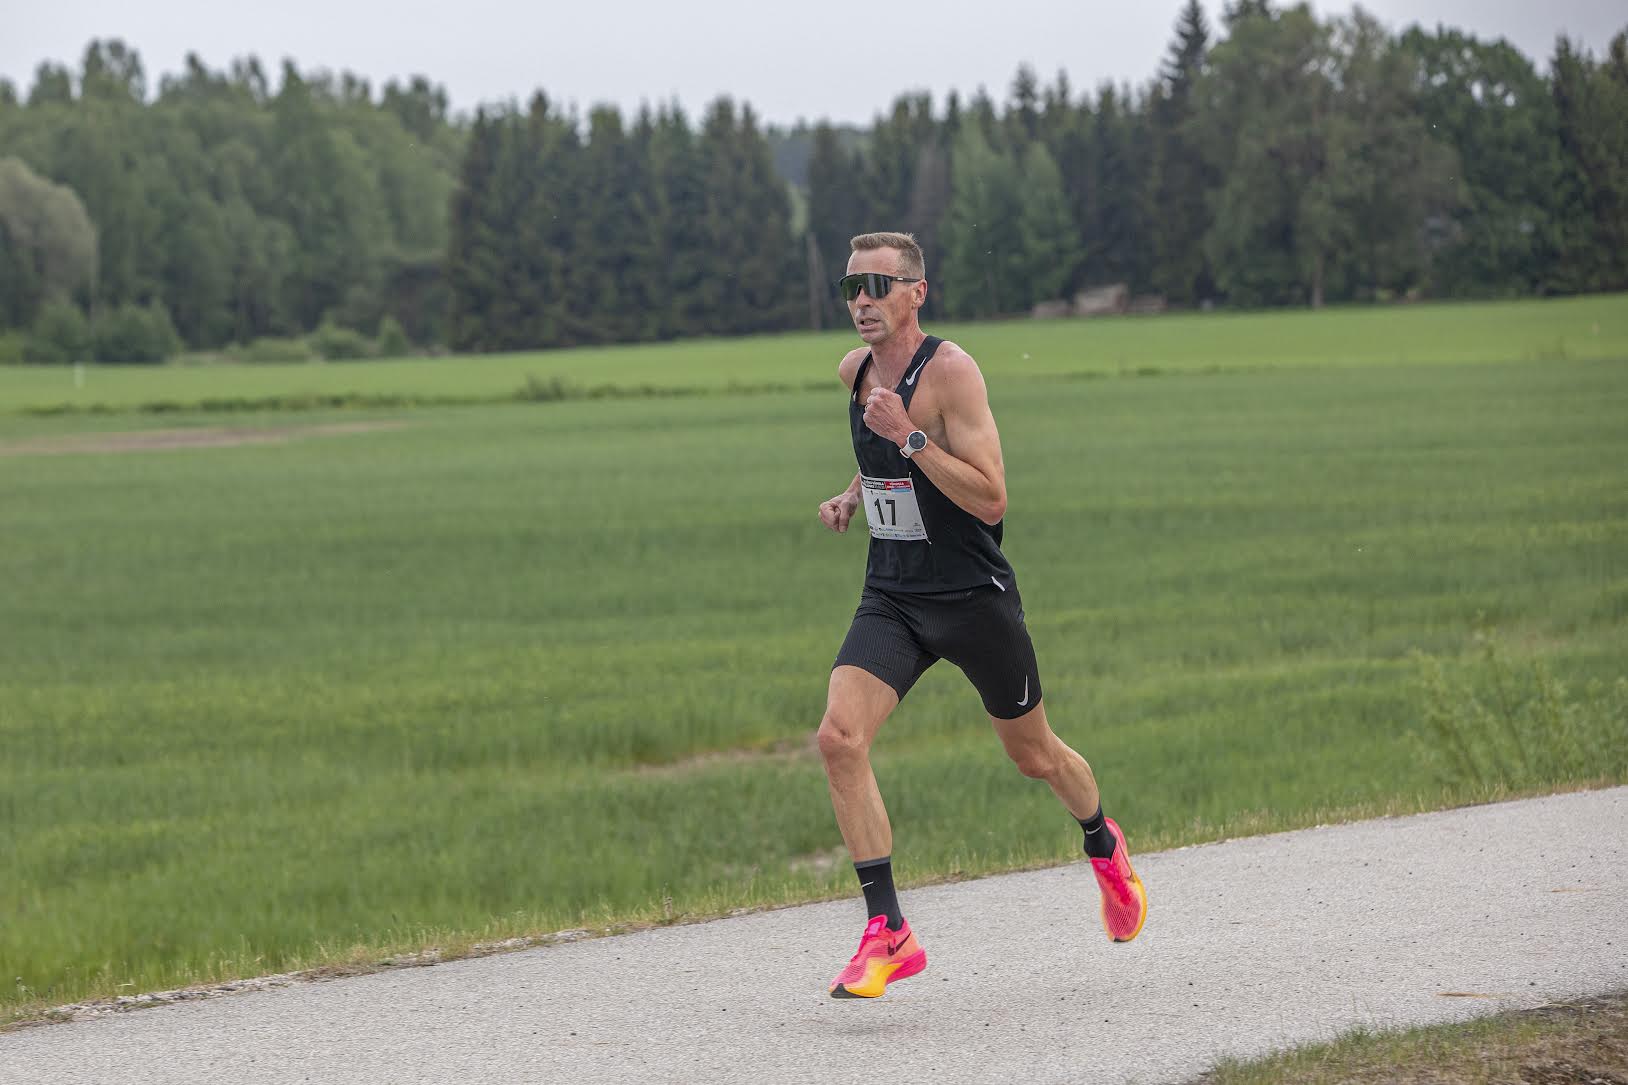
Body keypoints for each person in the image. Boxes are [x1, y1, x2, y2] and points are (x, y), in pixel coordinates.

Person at [816, 231, 1147, 999]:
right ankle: (888, 930)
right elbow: (882, 458)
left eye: (877, 285)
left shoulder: (953, 374)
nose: (861, 301)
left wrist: (912, 435)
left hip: (972, 598)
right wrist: (855, 491)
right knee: (838, 737)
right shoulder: (855, 372)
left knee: (1034, 756)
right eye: (850, 288)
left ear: (915, 292)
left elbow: (991, 496)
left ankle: (1103, 842)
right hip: (894, 594)